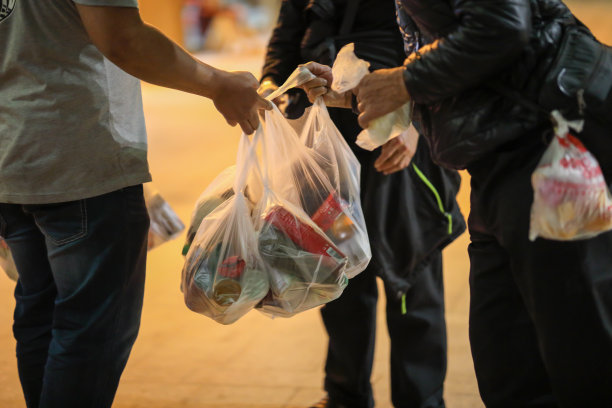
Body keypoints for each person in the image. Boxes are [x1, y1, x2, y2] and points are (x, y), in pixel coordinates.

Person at [303, 0, 612, 406]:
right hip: (496, 165)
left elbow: (502, 26)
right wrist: (370, 93)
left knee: (578, 352)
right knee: (505, 361)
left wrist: (404, 82)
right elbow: (466, 59)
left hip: (551, 151)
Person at [0, 1, 270, 407]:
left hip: (13, 153)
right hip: (80, 160)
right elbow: (123, 37)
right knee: (88, 334)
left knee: (41, 316)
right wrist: (218, 84)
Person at [260, 1, 465, 407]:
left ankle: (420, 399)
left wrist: (418, 123)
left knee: (410, 274)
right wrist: (270, 88)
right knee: (337, 273)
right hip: (325, 149)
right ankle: (344, 396)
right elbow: (285, 41)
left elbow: (452, 47)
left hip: (402, 142)